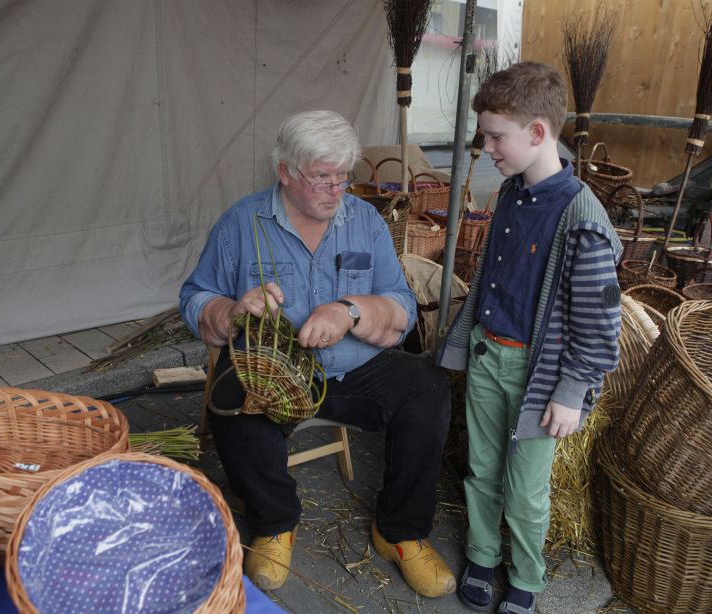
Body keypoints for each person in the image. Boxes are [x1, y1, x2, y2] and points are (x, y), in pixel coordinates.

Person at [179, 110, 454, 597]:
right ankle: (275, 523)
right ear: (285, 171)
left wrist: (349, 311)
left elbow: (402, 304)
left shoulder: (365, 221)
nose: (336, 190)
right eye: (322, 177)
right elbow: (196, 296)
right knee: (232, 402)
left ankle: (400, 532)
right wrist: (233, 311)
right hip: (274, 371)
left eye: (343, 176)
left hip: (355, 367)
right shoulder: (242, 223)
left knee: (428, 390)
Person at [437, 62, 622, 614]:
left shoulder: (582, 219)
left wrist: (572, 390)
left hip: (537, 378)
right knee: (482, 468)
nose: (487, 148)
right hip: (488, 355)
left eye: (496, 137)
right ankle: (481, 554)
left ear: (538, 132)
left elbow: (598, 323)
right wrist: (464, 342)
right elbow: (489, 278)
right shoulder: (510, 194)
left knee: (526, 488)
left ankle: (526, 576)